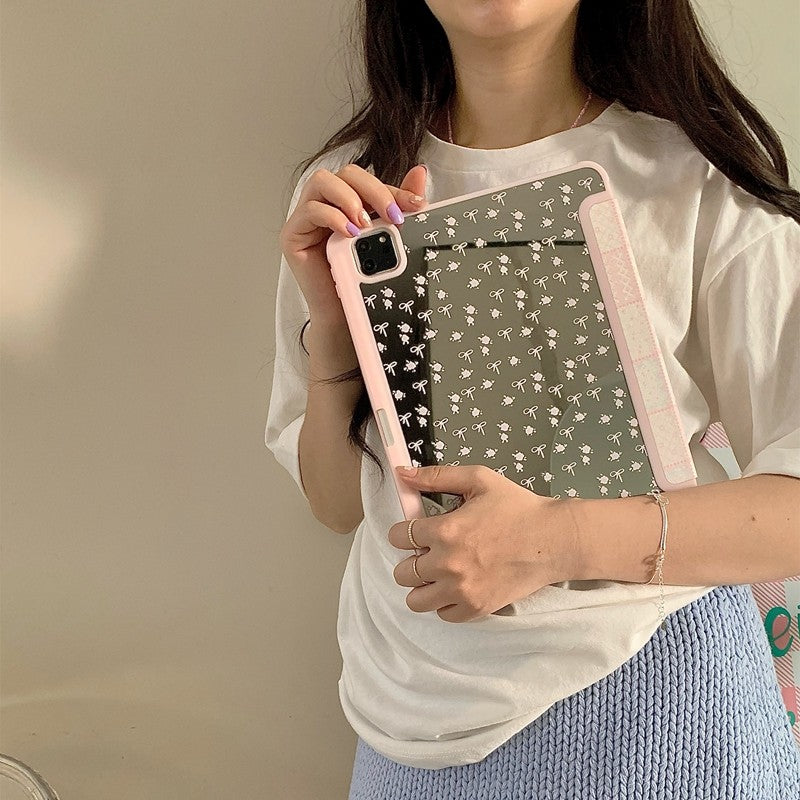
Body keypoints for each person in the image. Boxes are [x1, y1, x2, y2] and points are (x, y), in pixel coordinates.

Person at [266, 1, 800, 797]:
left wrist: (554, 540)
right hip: (401, 721)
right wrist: (336, 332)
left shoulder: (693, 176)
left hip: (661, 705)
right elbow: (337, 504)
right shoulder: (349, 196)